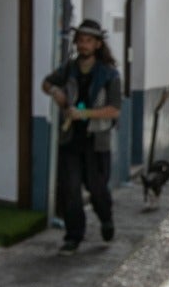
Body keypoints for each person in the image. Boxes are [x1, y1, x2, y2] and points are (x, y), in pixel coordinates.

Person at [42, 19, 122, 254]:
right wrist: (56, 91)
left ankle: (106, 218)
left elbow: (115, 109)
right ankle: (73, 236)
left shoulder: (109, 74)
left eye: (88, 41)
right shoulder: (68, 69)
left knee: (97, 189)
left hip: (96, 142)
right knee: (70, 189)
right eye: (80, 41)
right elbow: (46, 83)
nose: (83, 45)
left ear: (98, 44)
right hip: (70, 140)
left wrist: (84, 113)